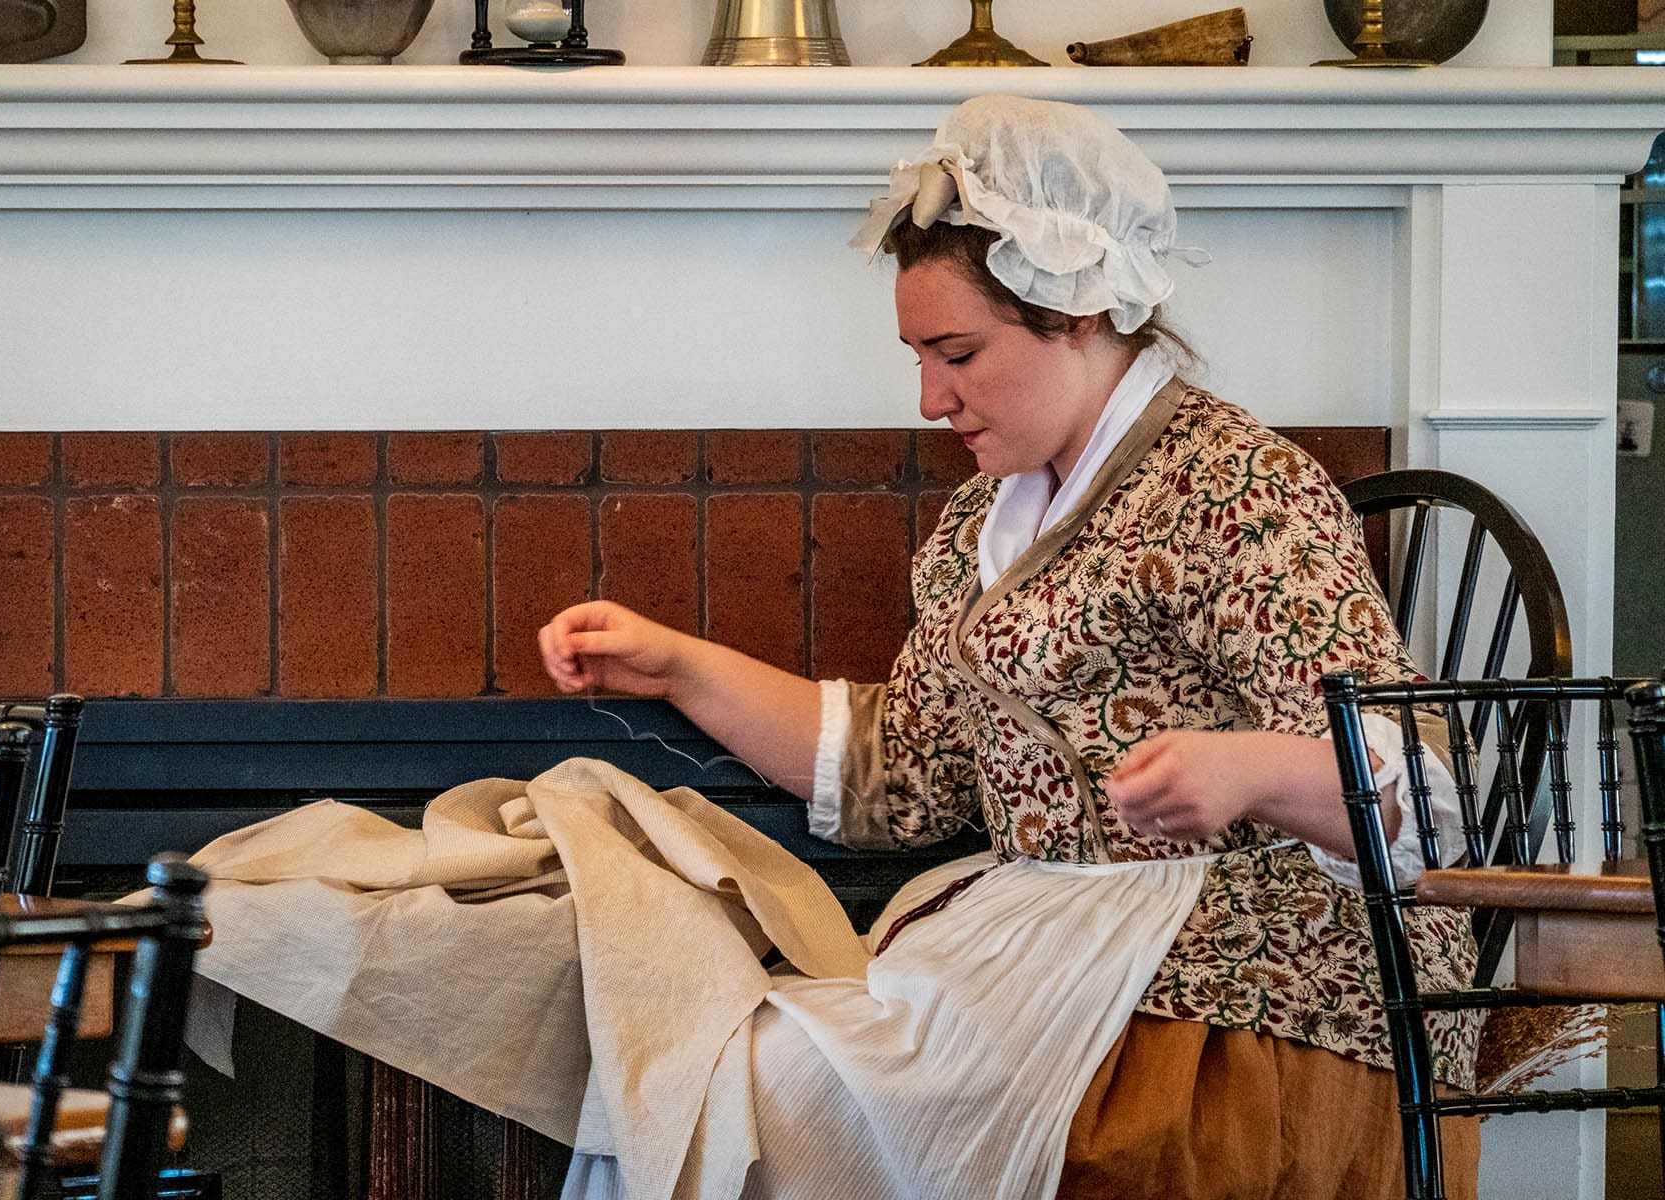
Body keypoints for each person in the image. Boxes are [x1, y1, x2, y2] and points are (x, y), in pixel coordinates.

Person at [540, 94, 1481, 1200]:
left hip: (1248, 970)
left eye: (959, 353)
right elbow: (910, 777)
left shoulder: (1236, 489)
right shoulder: (980, 527)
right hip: (1053, 931)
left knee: (835, 1099)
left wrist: (1251, 771)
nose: (931, 397)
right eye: (919, 356)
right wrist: (680, 666)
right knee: (735, 1074)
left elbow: (1429, 799)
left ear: (1079, 312)